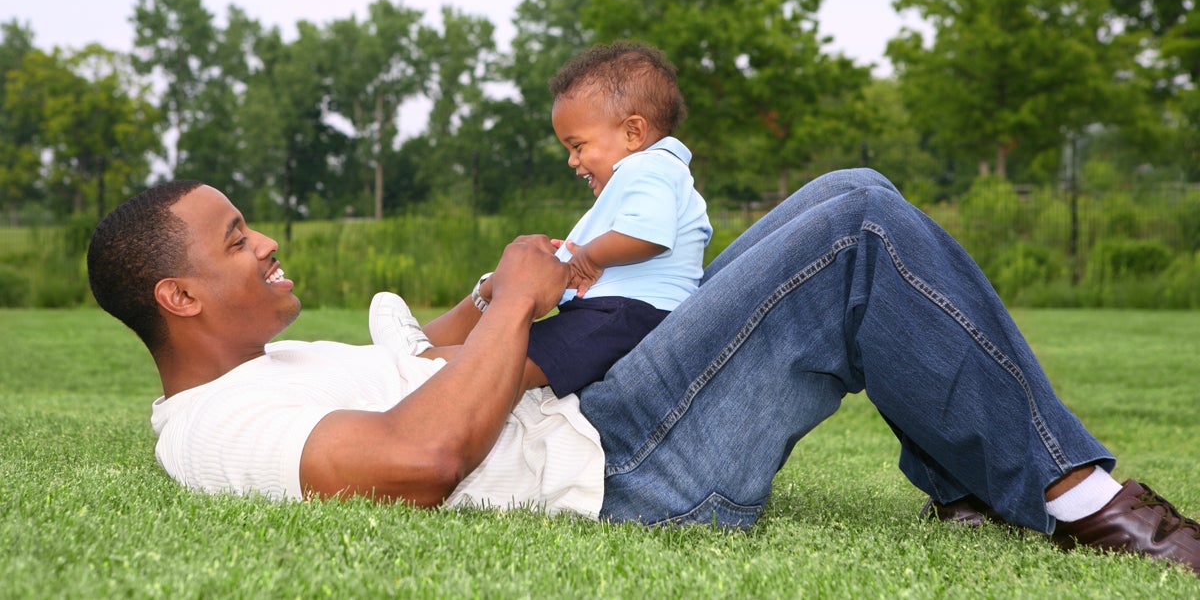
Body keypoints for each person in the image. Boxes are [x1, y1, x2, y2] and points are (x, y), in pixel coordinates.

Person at [87, 147, 1200, 575]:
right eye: (238, 240)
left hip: (593, 419)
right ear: (178, 296)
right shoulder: (209, 428)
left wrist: (498, 289)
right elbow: (417, 457)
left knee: (840, 199)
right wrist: (524, 302)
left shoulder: (286, 362)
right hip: (620, 477)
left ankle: (971, 489)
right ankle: (1084, 497)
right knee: (857, 224)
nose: (266, 240)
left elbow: (422, 362)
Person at [373, 41, 711, 398]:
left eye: (578, 146)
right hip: (619, 314)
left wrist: (588, 257)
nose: (572, 161)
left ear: (633, 132)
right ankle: (423, 357)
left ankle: (419, 365)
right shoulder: (648, 172)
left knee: (514, 361)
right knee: (520, 350)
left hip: (628, 315)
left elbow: (650, 234)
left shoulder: (650, 167)